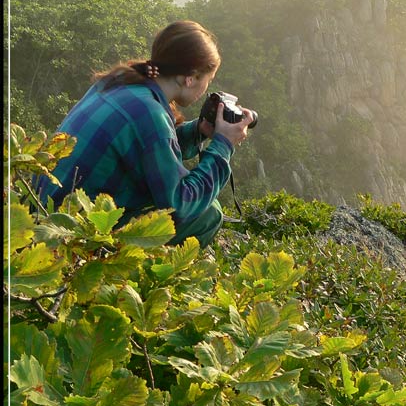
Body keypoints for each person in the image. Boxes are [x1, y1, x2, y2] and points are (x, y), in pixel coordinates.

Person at [37, 20, 254, 248]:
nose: (205, 88)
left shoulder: (121, 81)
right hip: (72, 237)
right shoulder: (150, 113)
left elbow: (147, 148)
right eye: (207, 80)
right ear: (189, 78)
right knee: (208, 214)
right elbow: (181, 204)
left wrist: (198, 132)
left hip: (46, 215)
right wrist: (223, 145)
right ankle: (139, 277)